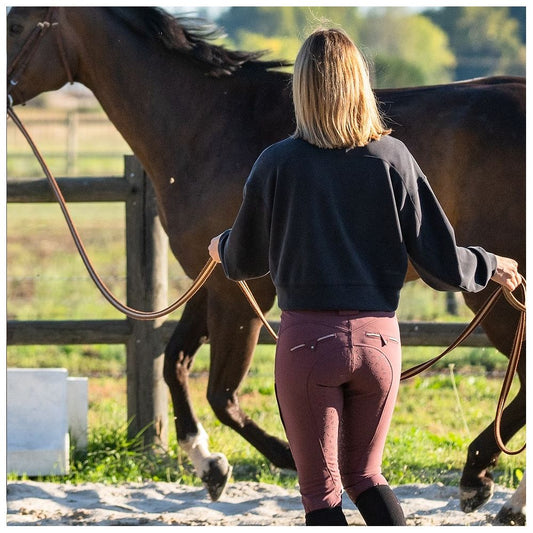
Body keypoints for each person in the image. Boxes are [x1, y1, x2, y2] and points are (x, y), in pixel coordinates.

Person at [208, 28, 521, 527]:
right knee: (366, 477)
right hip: (379, 347)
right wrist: (491, 264)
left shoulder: (276, 163)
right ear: (360, 84)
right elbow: (441, 265)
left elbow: (243, 262)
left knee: (321, 493)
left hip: (307, 347)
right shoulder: (394, 158)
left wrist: (220, 246)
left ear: (303, 90)